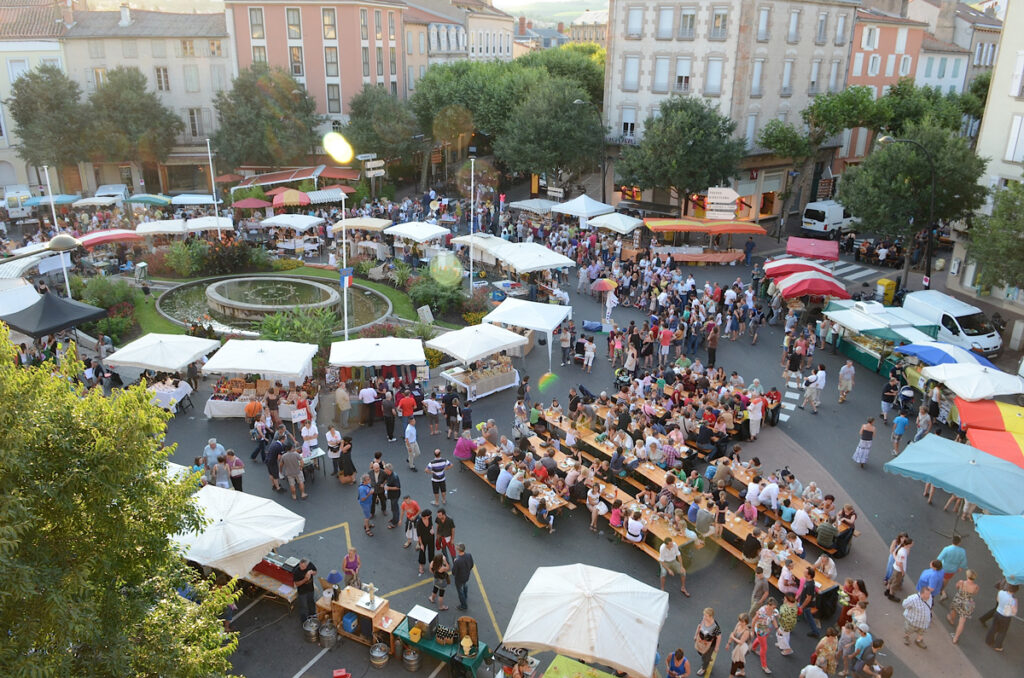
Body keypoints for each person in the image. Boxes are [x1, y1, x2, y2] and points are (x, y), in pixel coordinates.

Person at [947, 569, 978, 644]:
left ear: (967, 576)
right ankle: (955, 638)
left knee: (954, 610)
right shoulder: (976, 586)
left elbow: (957, 587)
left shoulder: (962, 582)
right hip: (968, 603)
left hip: (959, 599)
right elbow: (974, 593)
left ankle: (951, 619)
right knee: (962, 621)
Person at [984, 582, 1018, 652]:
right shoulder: (1013, 600)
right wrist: (1016, 604)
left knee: (993, 627)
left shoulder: (1001, 592)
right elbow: (1014, 612)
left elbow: (998, 600)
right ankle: (997, 646)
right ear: (1015, 591)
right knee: (1002, 631)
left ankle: (988, 641)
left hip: (998, 612)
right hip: (1005, 616)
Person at [750, 599, 778, 675]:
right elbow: (753, 620)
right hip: (760, 630)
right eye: (773, 607)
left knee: (760, 641)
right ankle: (764, 666)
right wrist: (752, 631)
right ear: (768, 605)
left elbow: (773, 619)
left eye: (775, 608)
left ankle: (753, 648)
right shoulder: (761, 611)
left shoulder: (773, 611)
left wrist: (777, 628)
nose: (774, 609)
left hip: (767, 629)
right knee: (764, 647)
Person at [694, 607, 722, 677]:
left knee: (705, 657)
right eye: (704, 615)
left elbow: (719, 636)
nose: (704, 617)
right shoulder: (704, 619)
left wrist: (717, 647)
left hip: (710, 644)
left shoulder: (715, 626)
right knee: (700, 651)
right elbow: (699, 626)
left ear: (711, 616)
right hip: (701, 641)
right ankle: (708, 657)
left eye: (706, 615)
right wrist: (696, 635)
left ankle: (703, 668)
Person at [886, 536, 912, 600]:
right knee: (895, 583)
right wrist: (902, 571)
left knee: (891, 579)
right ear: (908, 544)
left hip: (895, 567)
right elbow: (900, 563)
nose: (912, 545)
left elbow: (894, 553)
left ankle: (887, 590)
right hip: (899, 570)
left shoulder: (900, 546)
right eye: (911, 544)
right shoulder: (903, 553)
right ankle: (891, 595)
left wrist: (896, 559)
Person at [725, 613, 750, 678]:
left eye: (742, 622)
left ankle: (731, 676)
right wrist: (729, 643)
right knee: (739, 661)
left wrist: (732, 637)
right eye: (740, 621)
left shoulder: (746, 631)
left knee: (735, 662)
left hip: (741, 649)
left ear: (746, 622)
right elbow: (733, 633)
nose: (740, 623)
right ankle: (742, 672)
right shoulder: (738, 624)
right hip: (736, 647)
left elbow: (741, 642)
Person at [452, 543, 474, 610]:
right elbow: (472, 565)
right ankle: (465, 596)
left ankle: (463, 605)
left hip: (459, 579)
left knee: (460, 591)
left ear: (458, 550)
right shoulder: (469, 555)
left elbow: (453, 572)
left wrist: (454, 562)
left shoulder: (457, 561)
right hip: (466, 576)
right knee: (465, 585)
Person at [415, 509, 436, 575]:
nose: (430, 516)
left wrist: (432, 529)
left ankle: (431, 564)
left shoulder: (430, 518)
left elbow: (431, 524)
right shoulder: (419, 523)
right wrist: (421, 544)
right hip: (423, 539)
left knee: (431, 551)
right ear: (425, 516)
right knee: (422, 552)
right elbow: (419, 535)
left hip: (431, 537)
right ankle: (421, 566)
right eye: (429, 515)